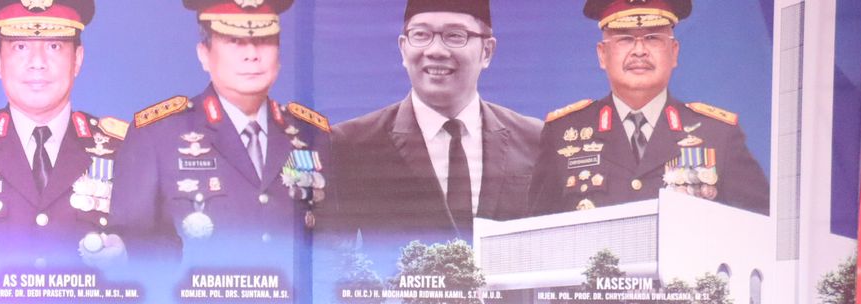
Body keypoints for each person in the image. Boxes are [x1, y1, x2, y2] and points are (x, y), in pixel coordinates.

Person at [109, 0, 330, 257]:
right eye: (234, 41)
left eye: (264, 40)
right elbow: (133, 250)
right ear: (204, 54)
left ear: (279, 54)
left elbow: (335, 243)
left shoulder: (312, 134)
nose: (252, 54)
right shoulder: (156, 135)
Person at [0, 1, 129, 265]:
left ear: (77, 59)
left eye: (54, 46)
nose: (37, 63)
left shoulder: (125, 150)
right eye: (20, 47)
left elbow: (163, 250)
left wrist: (128, 253)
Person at [527, 0, 768, 216]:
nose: (640, 51)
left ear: (674, 52)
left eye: (653, 38)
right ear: (602, 55)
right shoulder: (562, 135)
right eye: (624, 38)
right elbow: (536, 238)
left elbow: (760, 229)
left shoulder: (718, 135)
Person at [328, 0, 540, 244]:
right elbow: (331, 255)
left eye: (455, 35)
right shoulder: (351, 145)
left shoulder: (536, 140)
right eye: (421, 35)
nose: (436, 51)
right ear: (403, 49)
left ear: (487, 51)